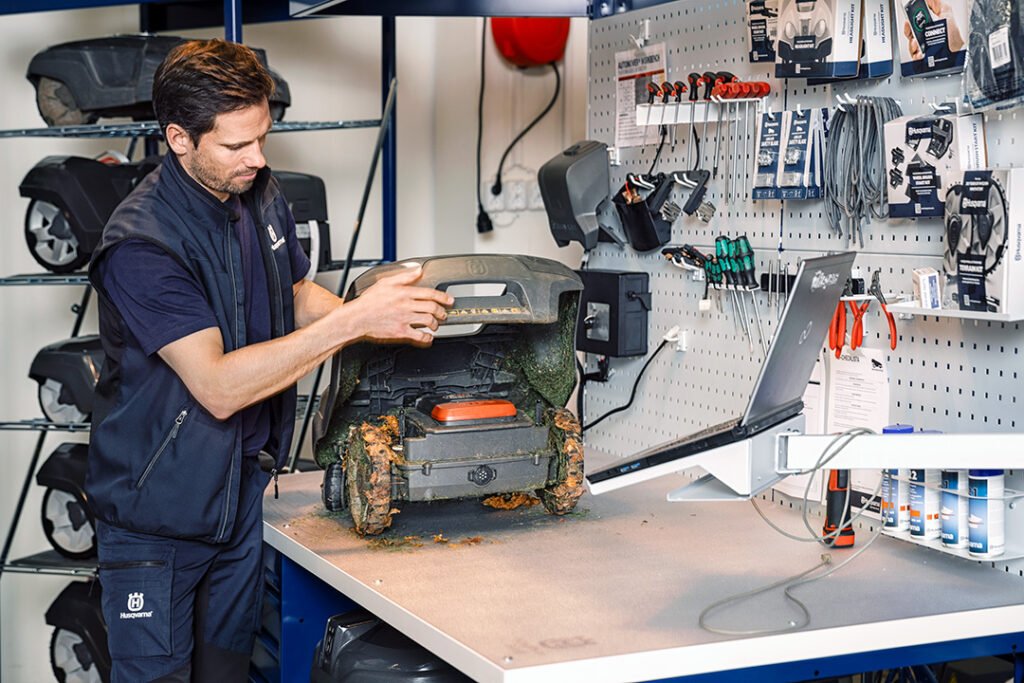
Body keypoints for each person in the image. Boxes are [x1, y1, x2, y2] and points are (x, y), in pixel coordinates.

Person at [85, 38, 452, 682]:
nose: (257, 158)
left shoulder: (257, 192)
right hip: (157, 525)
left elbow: (293, 293)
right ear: (179, 139)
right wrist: (353, 321)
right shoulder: (141, 244)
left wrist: (378, 325)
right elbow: (218, 386)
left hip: (238, 502)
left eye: (263, 137)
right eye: (236, 145)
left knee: (230, 675)